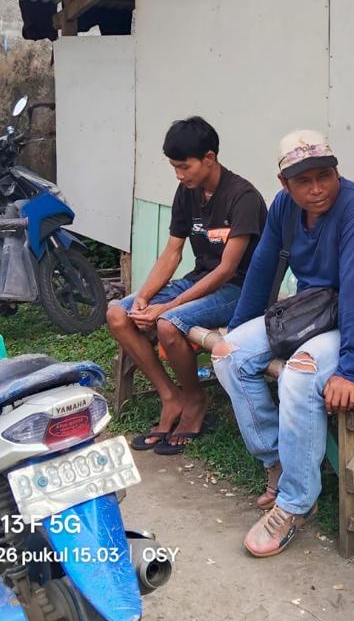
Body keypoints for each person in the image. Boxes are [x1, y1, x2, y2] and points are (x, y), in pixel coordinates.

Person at [212, 129, 354, 558]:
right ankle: (278, 462)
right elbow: (263, 268)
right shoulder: (284, 207)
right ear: (285, 184)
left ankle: (295, 504)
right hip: (315, 317)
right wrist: (240, 329)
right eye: (304, 181)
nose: (317, 188)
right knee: (228, 354)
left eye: (325, 176)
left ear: (337, 172)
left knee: (300, 375)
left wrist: (351, 369)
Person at [106, 116, 267, 455]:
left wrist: (168, 306)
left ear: (209, 157)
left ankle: (194, 399)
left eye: (184, 166)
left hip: (240, 290)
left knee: (168, 324)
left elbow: (226, 270)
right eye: (174, 167)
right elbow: (173, 252)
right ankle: (171, 397)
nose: (179, 175)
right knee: (118, 314)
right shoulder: (188, 192)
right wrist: (145, 296)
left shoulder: (243, 197)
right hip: (199, 281)